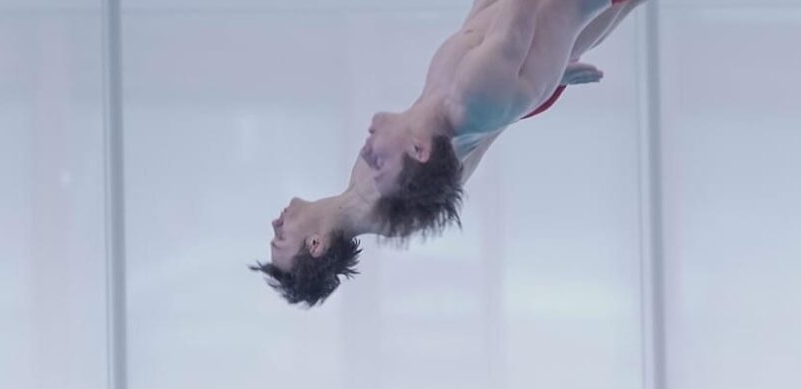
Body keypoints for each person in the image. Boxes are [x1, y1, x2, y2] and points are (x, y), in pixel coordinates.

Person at [254, 0, 647, 307]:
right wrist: (533, 83)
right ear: (316, 245)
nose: (275, 223)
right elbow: (469, 138)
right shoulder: (385, 203)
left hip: (499, 73)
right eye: (281, 239)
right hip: (504, 83)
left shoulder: (362, 186)